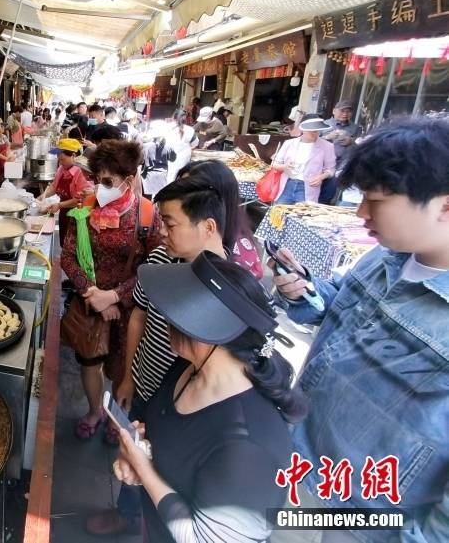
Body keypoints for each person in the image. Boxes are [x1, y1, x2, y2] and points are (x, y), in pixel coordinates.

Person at [270, 119, 449, 543]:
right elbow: (340, 309)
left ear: (444, 206)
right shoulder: (386, 256)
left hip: (364, 518)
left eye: (376, 200)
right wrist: (305, 292)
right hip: (298, 465)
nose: (361, 213)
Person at [114, 253, 305, 543]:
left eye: (173, 310)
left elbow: (203, 538)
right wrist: (141, 450)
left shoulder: (248, 448)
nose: (164, 318)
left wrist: (144, 470)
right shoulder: (189, 366)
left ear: (205, 329)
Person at [60, 141, 143, 443]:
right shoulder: (86, 207)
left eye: (107, 181)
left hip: (129, 312)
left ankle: (118, 419)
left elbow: (153, 269)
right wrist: (93, 295)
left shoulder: (146, 216)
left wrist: (115, 296)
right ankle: (95, 410)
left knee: (122, 370)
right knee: (89, 363)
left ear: (128, 181)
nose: (99, 187)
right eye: (96, 179)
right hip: (90, 304)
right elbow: (68, 257)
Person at [177, 159, 263, 278]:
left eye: (188, 192)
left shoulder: (236, 259)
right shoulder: (185, 234)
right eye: (178, 190)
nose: (177, 198)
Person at [38, 138, 93, 244]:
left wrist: (59, 205)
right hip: (64, 212)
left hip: (77, 214)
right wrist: (40, 198)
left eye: (62, 159)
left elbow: (80, 200)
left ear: (73, 155)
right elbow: (54, 187)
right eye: (59, 159)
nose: (60, 162)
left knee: (74, 244)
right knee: (63, 241)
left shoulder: (81, 172)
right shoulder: (61, 168)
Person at [271, 114, 336, 204]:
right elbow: (274, 164)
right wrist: (285, 166)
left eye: (316, 130)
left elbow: (331, 169)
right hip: (287, 184)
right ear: (302, 129)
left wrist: (321, 177)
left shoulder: (327, 146)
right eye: (311, 130)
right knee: (279, 211)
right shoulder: (289, 143)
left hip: (308, 186)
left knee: (302, 212)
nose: (314, 133)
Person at [319, 100, 360, 204]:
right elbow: (312, 142)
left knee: (332, 193)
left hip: (342, 165)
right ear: (334, 111)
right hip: (322, 164)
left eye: (348, 111)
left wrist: (352, 141)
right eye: (342, 111)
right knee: (317, 190)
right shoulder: (324, 124)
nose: (345, 114)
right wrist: (327, 137)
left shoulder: (355, 128)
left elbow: (360, 146)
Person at [163, 108, 198, 183]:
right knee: (180, 180)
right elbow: (195, 143)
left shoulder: (166, 127)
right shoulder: (190, 130)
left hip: (167, 159)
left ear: (173, 117)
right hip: (183, 161)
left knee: (168, 179)